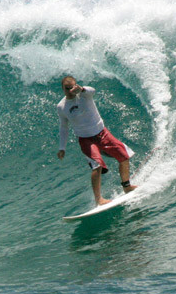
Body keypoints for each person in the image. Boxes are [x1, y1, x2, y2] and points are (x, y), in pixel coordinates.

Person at [56, 76, 137, 205]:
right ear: (62, 89)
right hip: (86, 140)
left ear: (76, 86)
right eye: (67, 88)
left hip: (102, 133)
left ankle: (126, 186)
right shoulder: (61, 107)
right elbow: (63, 127)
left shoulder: (84, 95)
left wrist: (81, 89)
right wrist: (62, 148)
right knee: (97, 166)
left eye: (72, 87)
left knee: (124, 156)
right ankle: (99, 199)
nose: (70, 90)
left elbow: (92, 90)